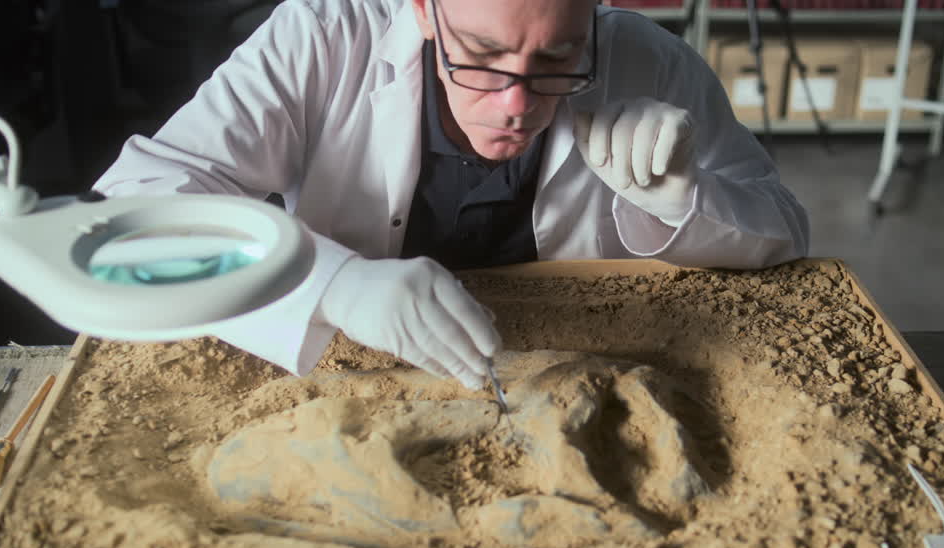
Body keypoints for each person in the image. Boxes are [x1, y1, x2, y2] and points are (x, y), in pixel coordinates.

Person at [93, 0, 809, 389]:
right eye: (483, 56)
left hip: (570, 372)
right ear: (424, 12)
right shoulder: (317, 38)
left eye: (557, 59)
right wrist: (331, 285)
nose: (514, 104)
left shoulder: (649, 59)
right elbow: (128, 213)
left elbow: (785, 234)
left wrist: (684, 197)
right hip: (346, 375)